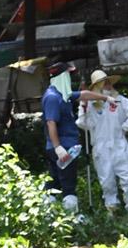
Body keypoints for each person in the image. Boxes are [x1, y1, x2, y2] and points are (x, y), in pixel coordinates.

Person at [42, 61, 108, 211]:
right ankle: (71, 219)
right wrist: (58, 147)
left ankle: (48, 218)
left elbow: (83, 94)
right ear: (61, 76)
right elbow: (51, 123)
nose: (70, 78)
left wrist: (104, 98)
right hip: (62, 148)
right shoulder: (53, 97)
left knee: (54, 183)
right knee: (68, 185)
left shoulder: (63, 94)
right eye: (68, 75)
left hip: (63, 146)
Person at [78, 69, 128, 213]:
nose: (106, 84)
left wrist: (126, 127)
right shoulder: (91, 105)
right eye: (102, 82)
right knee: (107, 180)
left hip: (120, 144)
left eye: (107, 81)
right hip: (101, 147)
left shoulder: (119, 100)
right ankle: (112, 209)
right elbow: (83, 123)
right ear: (95, 87)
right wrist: (83, 108)